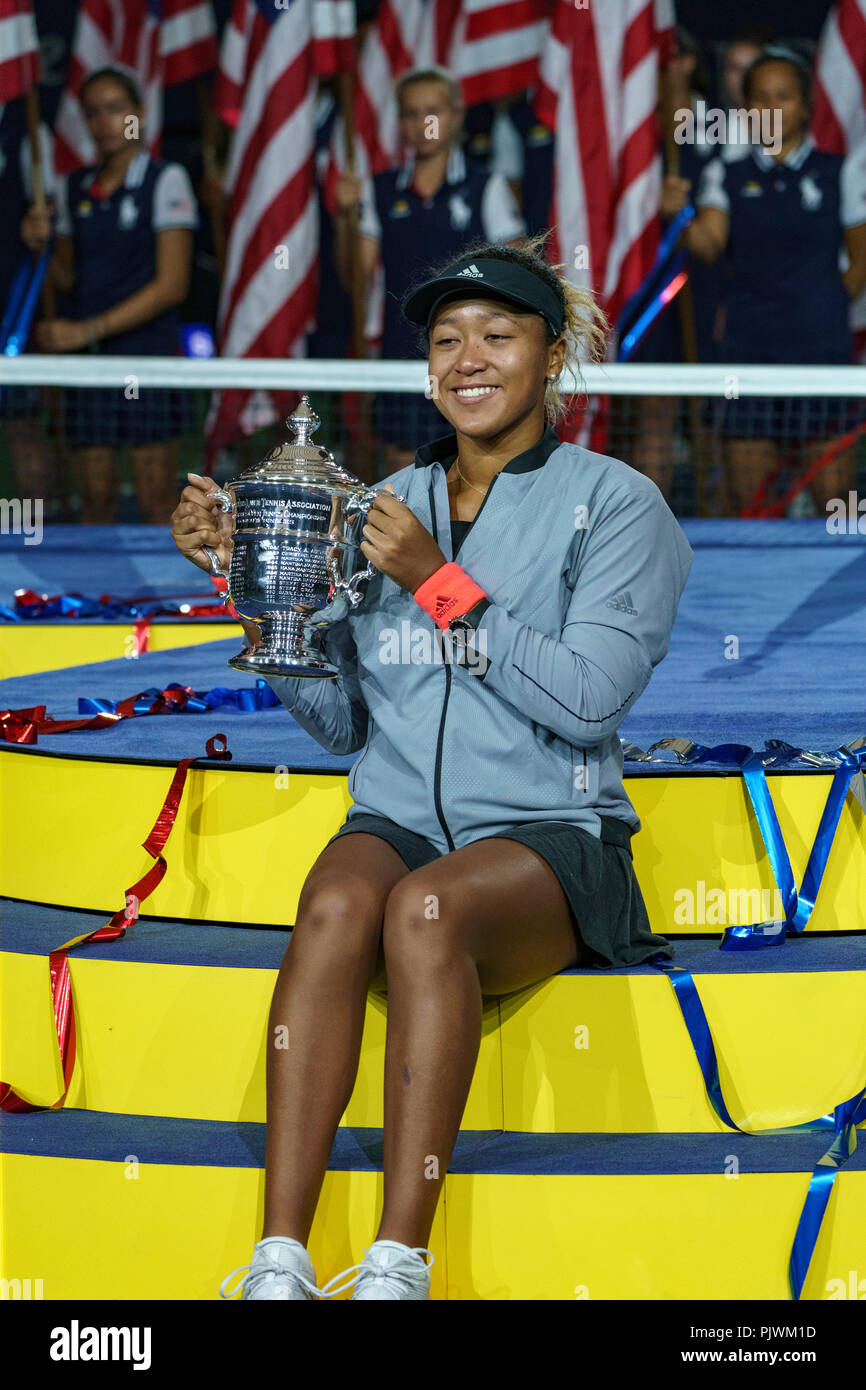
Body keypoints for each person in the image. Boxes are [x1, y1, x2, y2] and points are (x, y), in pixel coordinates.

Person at [170, 231, 694, 1301]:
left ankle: (396, 1262)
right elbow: (340, 725)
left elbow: (588, 700)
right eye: (446, 338)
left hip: (549, 837)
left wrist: (439, 580)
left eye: (497, 334)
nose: (467, 357)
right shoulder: (379, 503)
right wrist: (253, 586)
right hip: (400, 816)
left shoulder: (618, 505)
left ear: (552, 358)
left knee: (421, 912)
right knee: (332, 904)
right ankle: (279, 1258)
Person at [661, 46, 866, 514]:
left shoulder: (841, 173)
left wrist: (820, 310)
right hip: (748, 358)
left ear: (807, 106)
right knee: (750, 507)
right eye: (760, 98)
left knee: (837, 505)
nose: (772, 108)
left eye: (784, 96)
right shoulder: (725, 174)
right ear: (745, 108)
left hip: (822, 360)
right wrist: (679, 219)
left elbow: (860, 263)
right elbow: (709, 243)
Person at [20, 66, 198, 524]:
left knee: (155, 495)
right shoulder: (73, 186)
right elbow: (65, 280)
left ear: (138, 113)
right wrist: (41, 242)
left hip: (148, 358)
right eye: (93, 111)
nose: (104, 121)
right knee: (94, 497)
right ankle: (93, 595)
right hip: (89, 364)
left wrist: (86, 330)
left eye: (115, 108)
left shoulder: (166, 179)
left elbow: (172, 285)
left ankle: (167, 597)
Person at [332, 66, 526, 475]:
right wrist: (344, 219)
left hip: (471, 356)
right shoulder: (378, 190)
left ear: (456, 116)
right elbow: (354, 278)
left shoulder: (485, 186)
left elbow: (517, 275)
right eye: (410, 113)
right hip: (400, 356)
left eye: (432, 111)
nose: (423, 124)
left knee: (476, 462)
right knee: (404, 470)